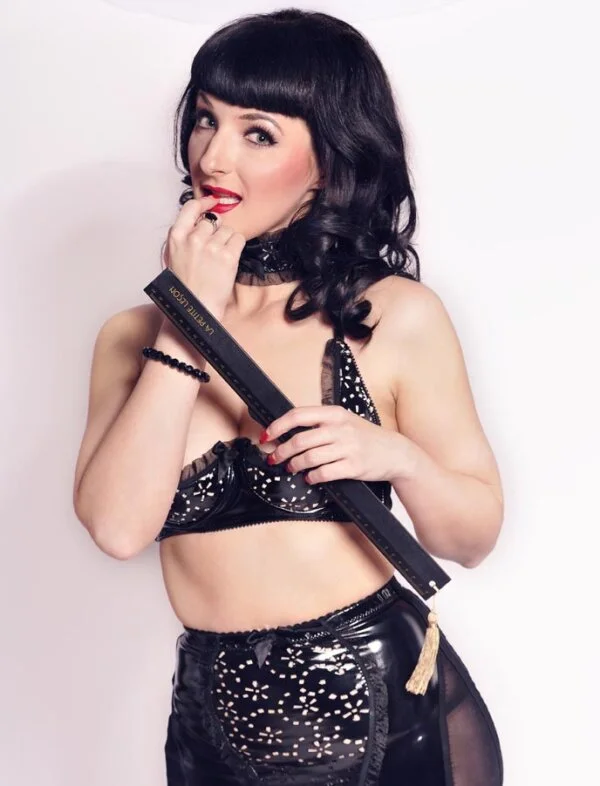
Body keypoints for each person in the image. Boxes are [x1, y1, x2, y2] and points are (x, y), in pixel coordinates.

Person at [73, 9, 504, 785]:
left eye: (259, 134)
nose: (214, 156)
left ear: (329, 162)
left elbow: (471, 539)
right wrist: (187, 321)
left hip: (382, 716)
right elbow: (117, 527)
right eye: (207, 119)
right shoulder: (131, 335)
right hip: (208, 731)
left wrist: (397, 457)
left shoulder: (391, 317)